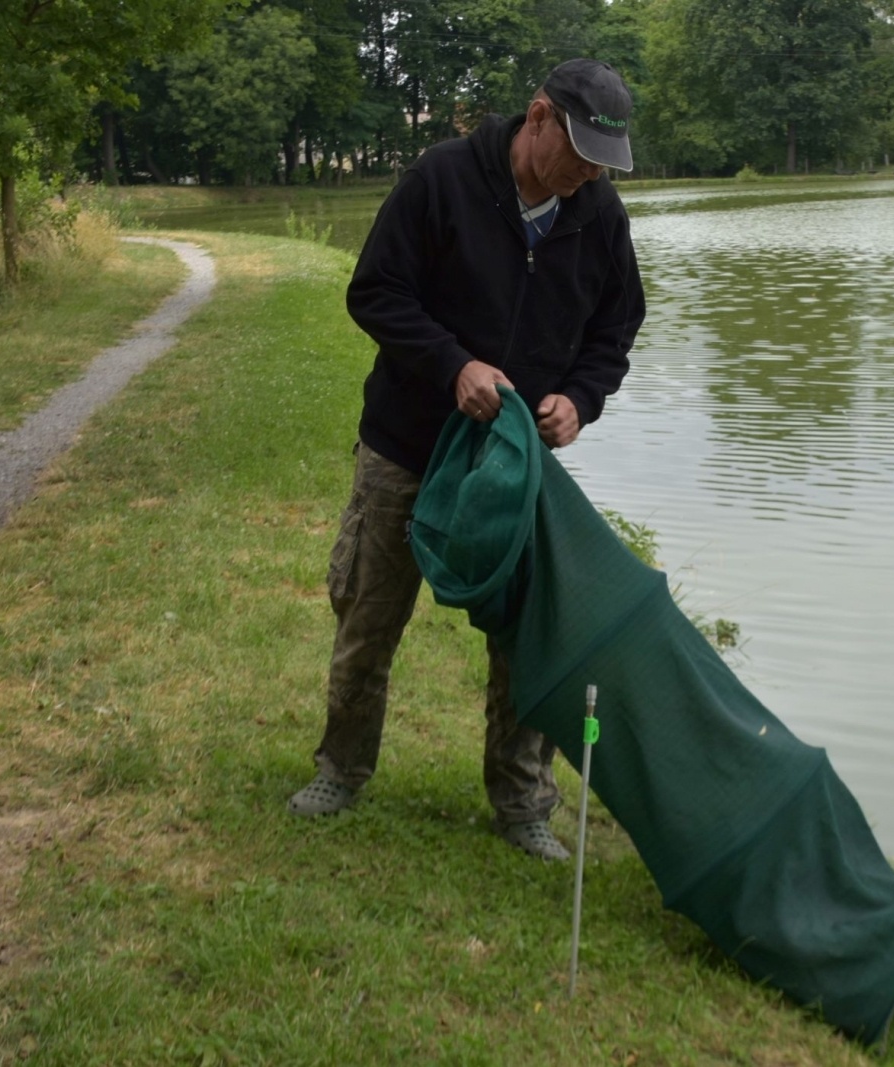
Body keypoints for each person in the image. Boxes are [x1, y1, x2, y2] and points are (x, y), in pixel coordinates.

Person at [288, 59, 647, 863]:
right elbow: (375, 292)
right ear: (538, 117)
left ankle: (521, 803)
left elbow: (617, 327)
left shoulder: (598, 213)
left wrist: (580, 400)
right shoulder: (442, 179)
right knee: (370, 615)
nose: (587, 173)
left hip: (515, 466)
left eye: (602, 163)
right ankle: (341, 769)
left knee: (527, 636)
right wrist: (452, 364)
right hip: (407, 446)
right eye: (578, 152)